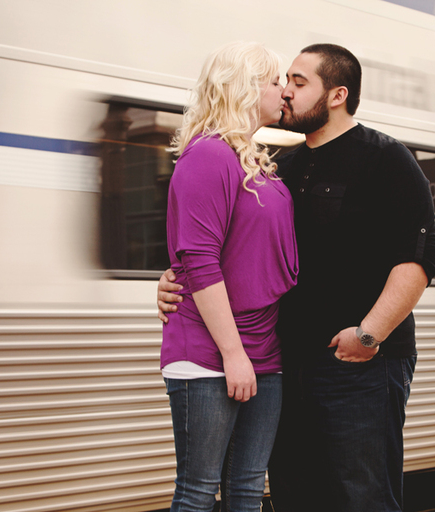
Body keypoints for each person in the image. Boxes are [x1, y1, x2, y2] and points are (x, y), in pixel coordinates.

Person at [158, 43, 435, 512]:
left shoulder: (386, 158)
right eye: (282, 80)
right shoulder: (278, 166)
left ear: (336, 95)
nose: (286, 91)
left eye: (298, 82)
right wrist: (173, 277)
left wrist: (369, 334)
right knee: (291, 492)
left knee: (362, 495)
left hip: (358, 366)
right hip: (286, 362)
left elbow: (419, 255)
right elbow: (224, 244)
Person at [159, 41, 297, 512]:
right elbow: (198, 257)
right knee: (198, 492)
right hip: (208, 351)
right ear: (246, 85)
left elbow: (238, 248)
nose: (286, 92)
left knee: (247, 489)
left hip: (263, 347)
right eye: (277, 81)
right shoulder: (208, 155)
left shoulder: (255, 159)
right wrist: (233, 355)